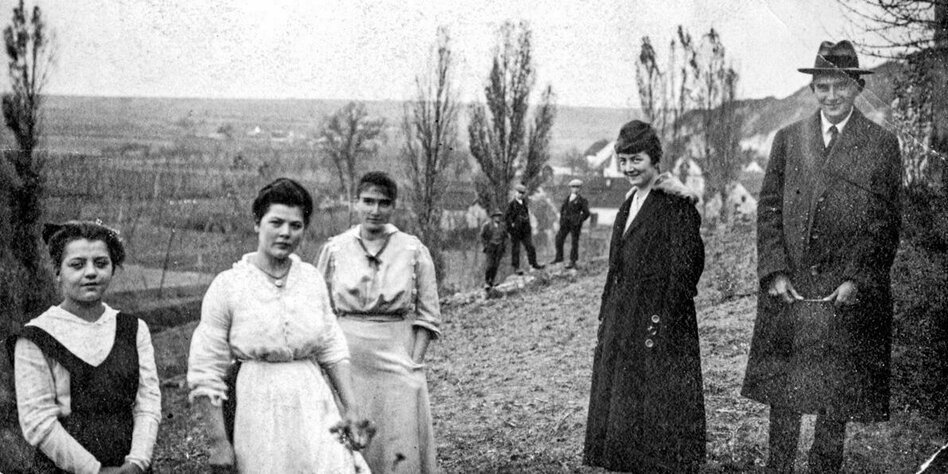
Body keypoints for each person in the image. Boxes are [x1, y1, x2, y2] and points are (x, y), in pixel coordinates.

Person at [741, 40, 902, 473]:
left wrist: (857, 279)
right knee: (784, 388)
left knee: (835, 395)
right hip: (791, 287)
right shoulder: (789, 139)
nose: (832, 96)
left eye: (841, 86)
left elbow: (885, 224)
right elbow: (768, 210)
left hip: (841, 291)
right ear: (813, 89)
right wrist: (774, 271)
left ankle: (824, 466)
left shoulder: (881, 144)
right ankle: (778, 465)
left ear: (857, 87)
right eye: (823, 87)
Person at [187, 178, 369, 473]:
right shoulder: (229, 285)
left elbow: (332, 348)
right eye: (276, 222)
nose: (285, 233)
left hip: (313, 400)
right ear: (257, 224)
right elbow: (206, 368)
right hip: (257, 403)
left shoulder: (311, 279)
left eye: (295, 225)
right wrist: (218, 441)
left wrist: (351, 409)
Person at [583, 120, 706, 473]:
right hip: (624, 315)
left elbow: (688, 268)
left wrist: (662, 319)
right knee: (625, 395)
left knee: (656, 400)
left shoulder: (675, 204)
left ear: (654, 159)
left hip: (659, 316)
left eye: (636, 160)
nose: (629, 168)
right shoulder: (630, 201)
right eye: (623, 161)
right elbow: (617, 263)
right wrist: (607, 312)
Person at [8, 221, 161, 473]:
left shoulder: (132, 329)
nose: (91, 272)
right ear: (58, 271)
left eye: (101, 263)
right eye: (77, 265)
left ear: (112, 268)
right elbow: (38, 421)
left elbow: (147, 404)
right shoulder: (36, 336)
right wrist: (94, 470)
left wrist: (137, 462)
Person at [317, 171, 441, 474]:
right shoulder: (335, 248)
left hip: (396, 355)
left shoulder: (412, 249)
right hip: (346, 358)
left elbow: (428, 314)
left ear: (393, 206)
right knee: (348, 438)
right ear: (356, 202)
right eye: (368, 201)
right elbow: (318, 309)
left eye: (383, 203)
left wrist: (413, 363)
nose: (375, 210)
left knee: (397, 440)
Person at [504, 183, 545, 275]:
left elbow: (527, 216)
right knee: (516, 249)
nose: (520, 195)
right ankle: (516, 268)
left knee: (530, 247)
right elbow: (507, 218)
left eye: (522, 193)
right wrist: (511, 228)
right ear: (515, 193)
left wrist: (529, 226)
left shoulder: (524, 203)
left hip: (525, 230)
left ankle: (533, 264)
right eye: (519, 192)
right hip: (516, 231)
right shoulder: (511, 204)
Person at [551, 178, 591, 269]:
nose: (575, 189)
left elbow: (587, 213)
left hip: (575, 224)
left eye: (577, 187)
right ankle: (559, 258)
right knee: (558, 238)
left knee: (574, 242)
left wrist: (579, 220)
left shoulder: (582, 200)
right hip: (565, 223)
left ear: (580, 189)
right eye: (573, 187)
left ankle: (573, 261)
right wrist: (561, 220)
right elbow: (562, 210)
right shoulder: (567, 199)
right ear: (570, 188)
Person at [481, 210, 508, 290]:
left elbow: (506, 236)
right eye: (496, 216)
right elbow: (482, 236)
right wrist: (485, 245)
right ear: (493, 217)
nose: (498, 218)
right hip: (490, 246)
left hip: (499, 246)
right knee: (490, 265)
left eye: (499, 216)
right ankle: (486, 281)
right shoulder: (487, 225)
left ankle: (492, 281)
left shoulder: (502, 226)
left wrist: (504, 245)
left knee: (496, 265)